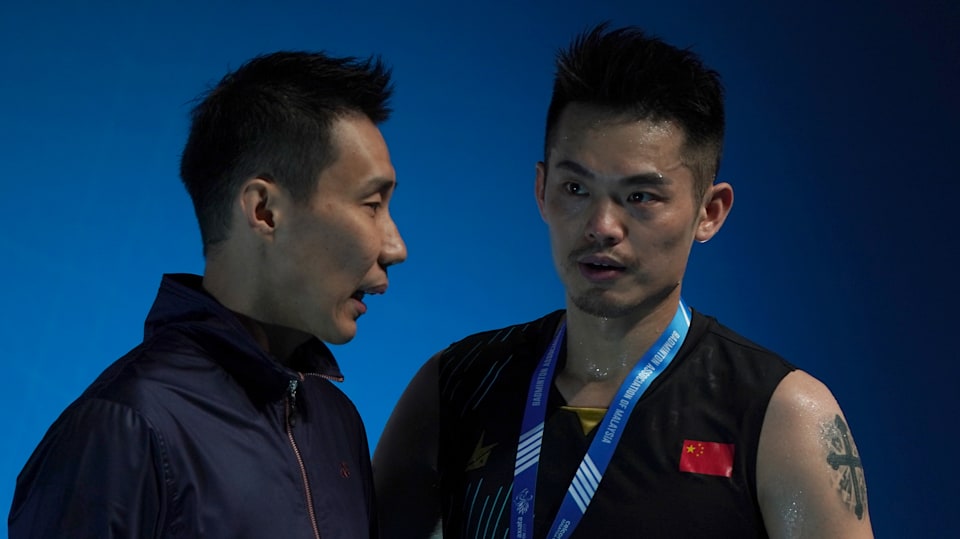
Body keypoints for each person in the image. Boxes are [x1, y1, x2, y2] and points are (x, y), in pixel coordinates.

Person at [373, 24, 873, 538]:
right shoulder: (457, 386)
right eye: (575, 188)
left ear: (710, 211)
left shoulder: (783, 415)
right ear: (542, 191)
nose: (602, 227)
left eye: (640, 197)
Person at [10, 50, 406, 538]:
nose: (396, 246)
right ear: (264, 211)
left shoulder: (336, 421)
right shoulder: (124, 428)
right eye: (371, 205)